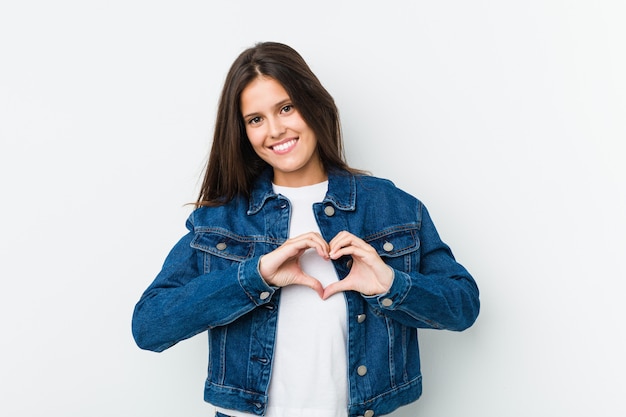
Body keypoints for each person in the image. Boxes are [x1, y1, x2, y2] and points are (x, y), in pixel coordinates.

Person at [132, 41, 480, 417]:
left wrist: (389, 284)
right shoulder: (222, 220)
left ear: (313, 104)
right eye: (256, 119)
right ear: (243, 132)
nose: (276, 130)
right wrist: (256, 276)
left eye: (286, 108)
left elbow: (463, 307)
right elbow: (150, 326)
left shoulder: (390, 206)